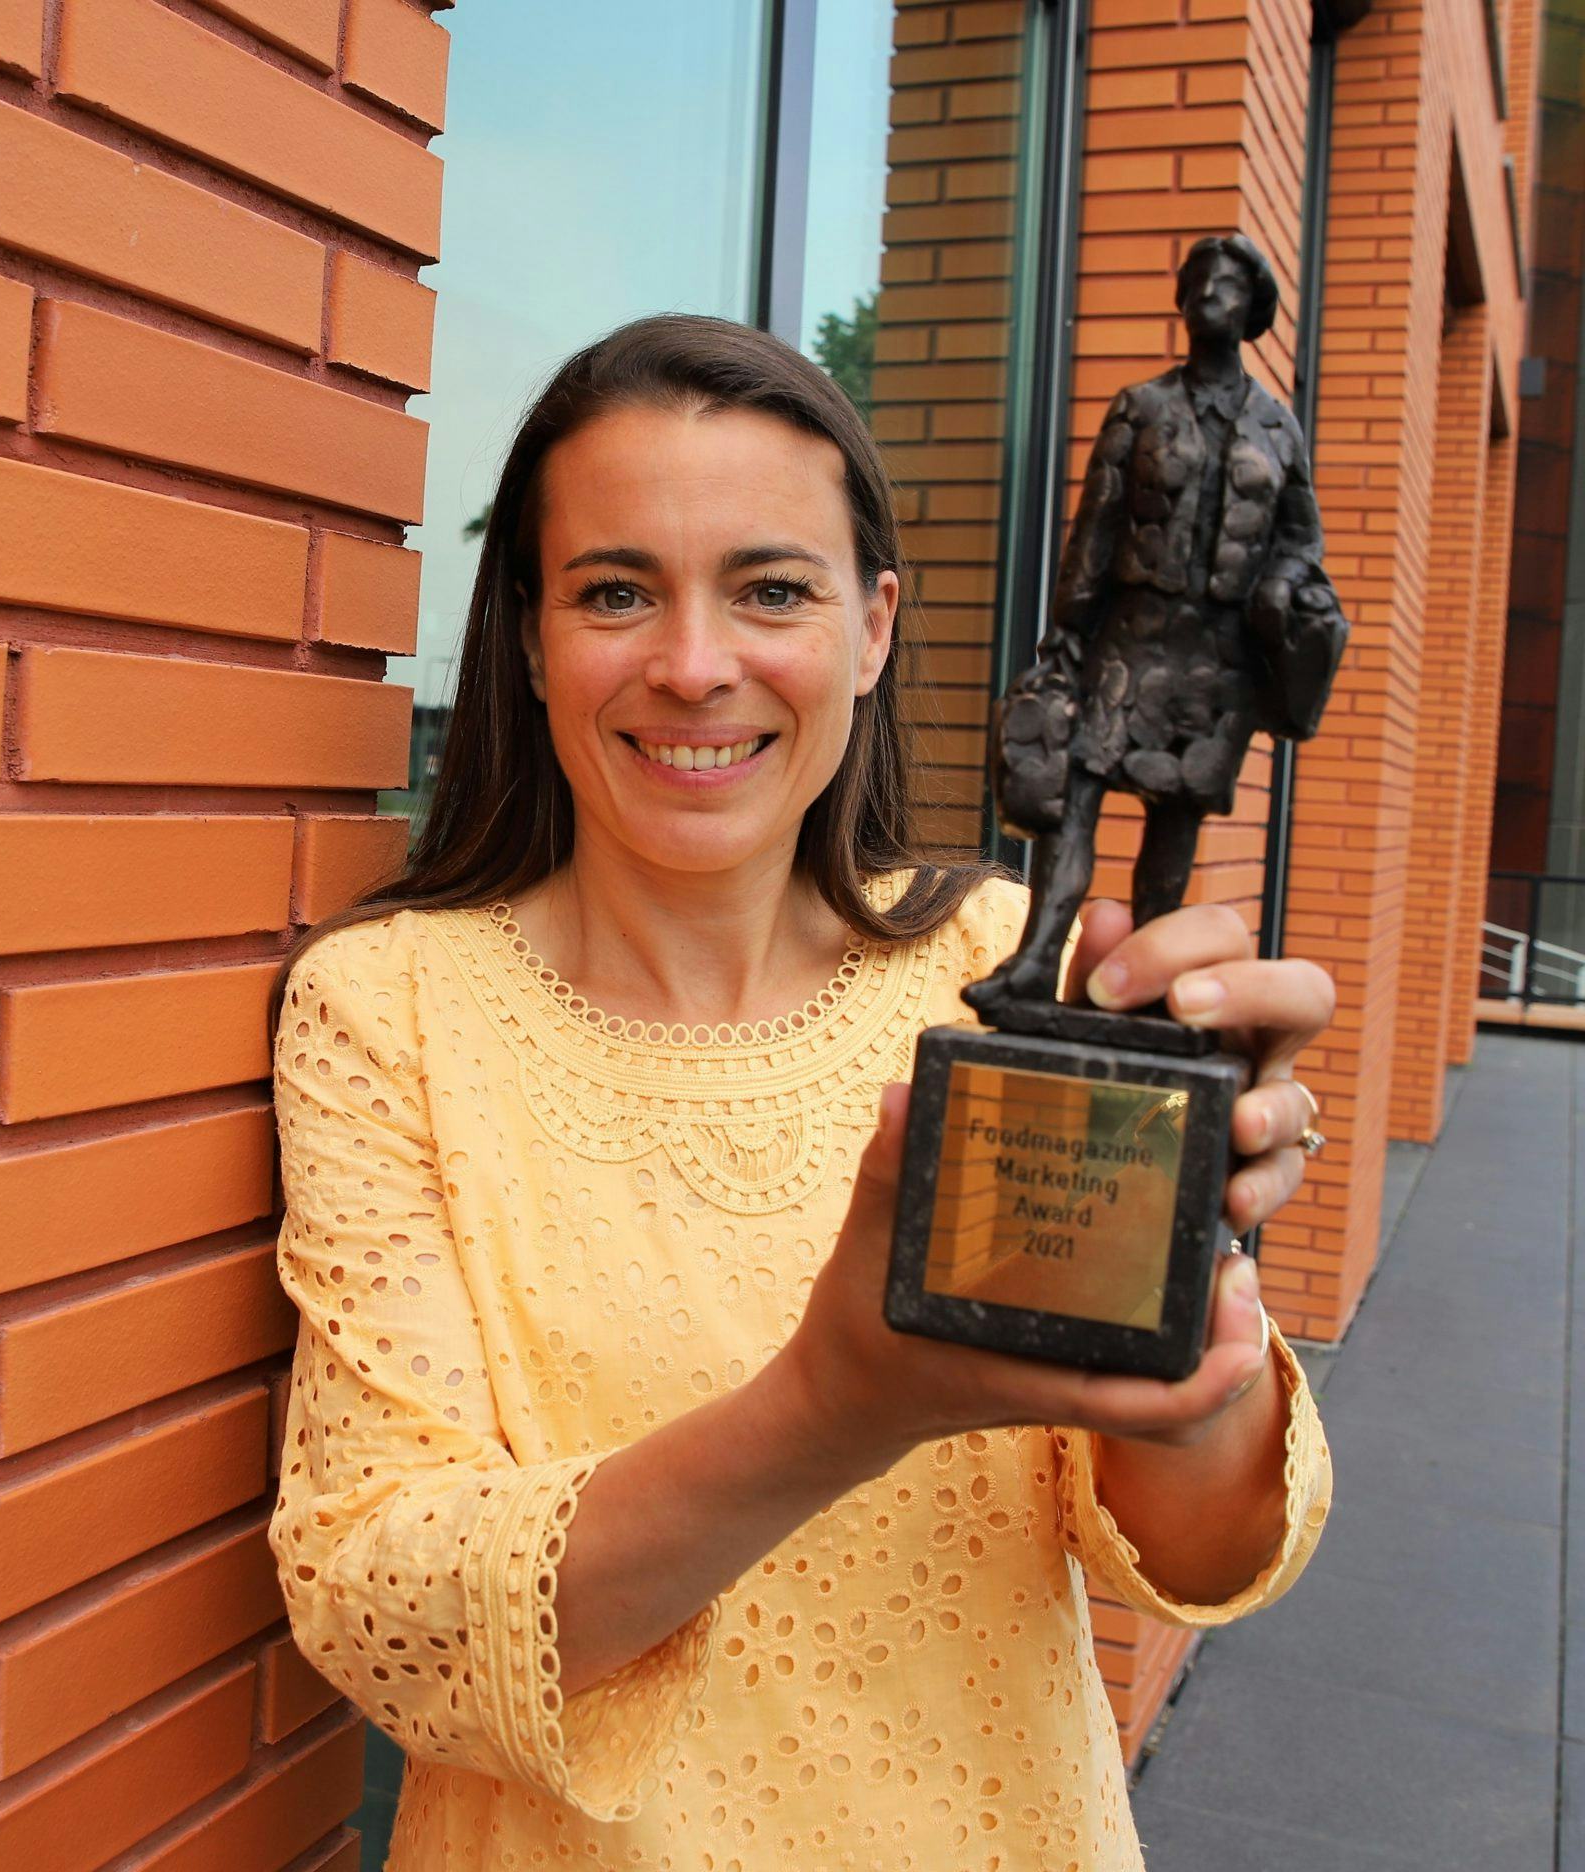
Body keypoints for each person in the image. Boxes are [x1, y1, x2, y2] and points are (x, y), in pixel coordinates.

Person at [267, 314, 1334, 1870]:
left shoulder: (1007, 967)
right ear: (531, 636)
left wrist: (1193, 1278)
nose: (695, 666)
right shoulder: (394, 1009)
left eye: (771, 590)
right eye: (615, 592)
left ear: (873, 627)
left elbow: (1205, 1548)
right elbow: (392, 1618)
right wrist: (834, 1410)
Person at [971, 233, 1349, 1011]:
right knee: (1073, 800)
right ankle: (1037, 960)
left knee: (1175, 825)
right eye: (1199, 280)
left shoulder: (1278, 429)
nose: (1211, 294)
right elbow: (1095, 527)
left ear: (1253, 310)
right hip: (1130, 637)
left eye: (1229, 284)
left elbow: (1301, 538)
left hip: (1220, 657)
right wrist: (1064, 634)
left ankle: (1144, 987)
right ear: (1181, 300)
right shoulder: (1141, 406)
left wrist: (1280, 586)